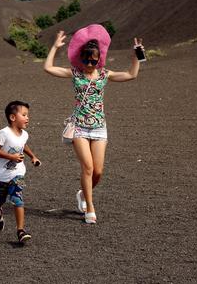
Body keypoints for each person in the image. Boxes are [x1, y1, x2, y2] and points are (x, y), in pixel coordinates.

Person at [43, 24, 143, 224]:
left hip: (99, 127)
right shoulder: (75, 74)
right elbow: (48, 68)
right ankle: (90, 207)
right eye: (86, 60)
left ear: (99, 59)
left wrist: (137, 55)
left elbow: (131, 75)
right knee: (87, 168)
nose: (89, 64)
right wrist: (55, 47)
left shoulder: (105, 75)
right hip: (79, 127)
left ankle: (82, 194)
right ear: (81, 58)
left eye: (93, 60)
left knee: (98, 172)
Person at [0, 100, 41, 243]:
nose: (27, 118)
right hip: (1, 176)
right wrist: (11, 156)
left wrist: (33, 156)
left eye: (27, 115)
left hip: (18, 173)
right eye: (24, 115)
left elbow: (23, 145)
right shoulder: (4, 133)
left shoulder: (24, 134)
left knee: (17, 198)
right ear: (13, 117)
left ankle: (20, 230)